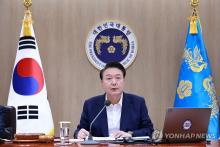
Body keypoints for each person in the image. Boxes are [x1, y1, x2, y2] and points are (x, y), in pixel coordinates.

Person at [74, 62, 154, 139]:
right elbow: (79, 130)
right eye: (109, 78)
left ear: (124, 80)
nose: (114, 82)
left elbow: (149, 130)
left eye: (118, 78)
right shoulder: (90, 104)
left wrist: (130, 134)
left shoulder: (138, 103)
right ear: (102, 82)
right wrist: (79, 133)